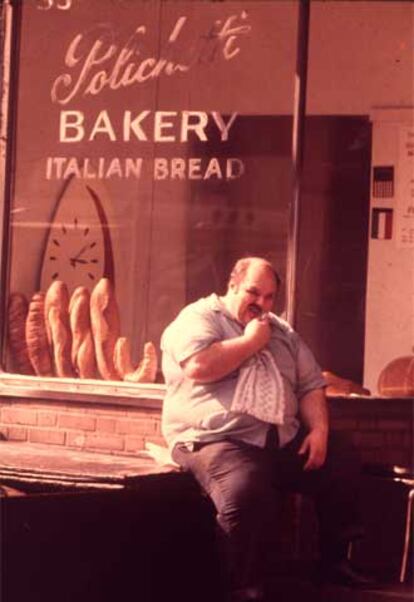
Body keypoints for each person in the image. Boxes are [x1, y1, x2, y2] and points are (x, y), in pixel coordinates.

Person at [161, 257, 371, 602]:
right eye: (253, 293)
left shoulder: (281, 331)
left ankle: (335, 564)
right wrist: (250, 343)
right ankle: (243, 587)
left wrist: (318, 430)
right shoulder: (198, 318)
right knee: (246, 489)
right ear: (232, 285)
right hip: (214, 438)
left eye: (270, 297)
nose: (261, 304)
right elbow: (198, 366)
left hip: (277, 440)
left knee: (341, 456)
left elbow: (310, 384)